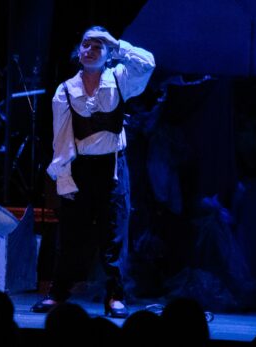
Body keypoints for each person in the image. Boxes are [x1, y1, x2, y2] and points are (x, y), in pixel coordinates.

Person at [32, 27, 156, 318]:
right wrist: (63, 178)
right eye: (86, 45)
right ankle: (59, 292)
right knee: (71, 233)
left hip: (112, 166)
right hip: (81, 167)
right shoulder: (65, 90)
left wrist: (117, 44)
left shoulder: (120, 79)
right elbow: (61, 139)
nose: (90, 50)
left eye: (98, 47)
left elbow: (148, 63)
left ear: (108, 54)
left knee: (113, 232)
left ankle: (115, 295)